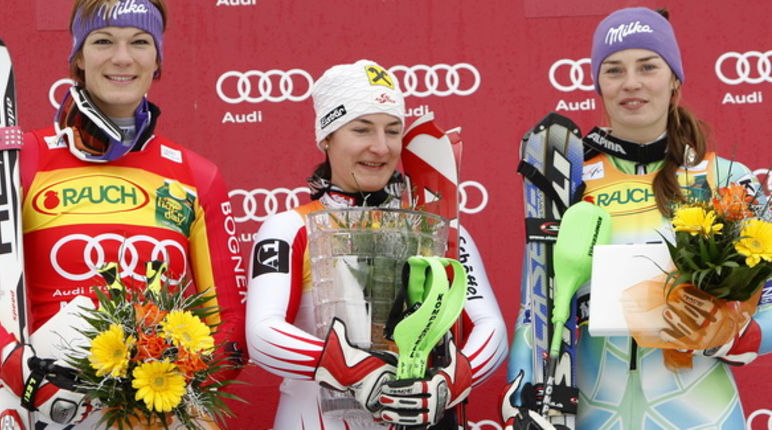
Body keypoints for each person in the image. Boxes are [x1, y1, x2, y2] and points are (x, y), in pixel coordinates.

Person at [0, 0, 246, 427]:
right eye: (102, 41)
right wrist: (23, 373)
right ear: (78, 57)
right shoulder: (23, 160)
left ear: (158, 60)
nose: (122, 57)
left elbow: (232, 328)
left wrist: (173, 390)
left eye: (139, 42)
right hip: (55, 408)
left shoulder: (196, 175)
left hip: (161, 412)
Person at [503, 7, 772, 430]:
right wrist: (521, 393)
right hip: (594, 416)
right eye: (614, 70)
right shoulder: (569, 181)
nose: (632, 83)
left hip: (701, 416)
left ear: (674, 79)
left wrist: (736, 335)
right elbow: (533, 308)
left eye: (648, 66)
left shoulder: (726, 180)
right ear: (598, 85)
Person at [245, 59, 508, 430]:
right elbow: (261, 335)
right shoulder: (290, 227)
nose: (381, 148)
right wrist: (354, 370)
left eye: (393, 130)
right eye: (362, 130)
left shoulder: (437, 228)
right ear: (326, 136)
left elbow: (490, 328)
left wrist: (450, 382)